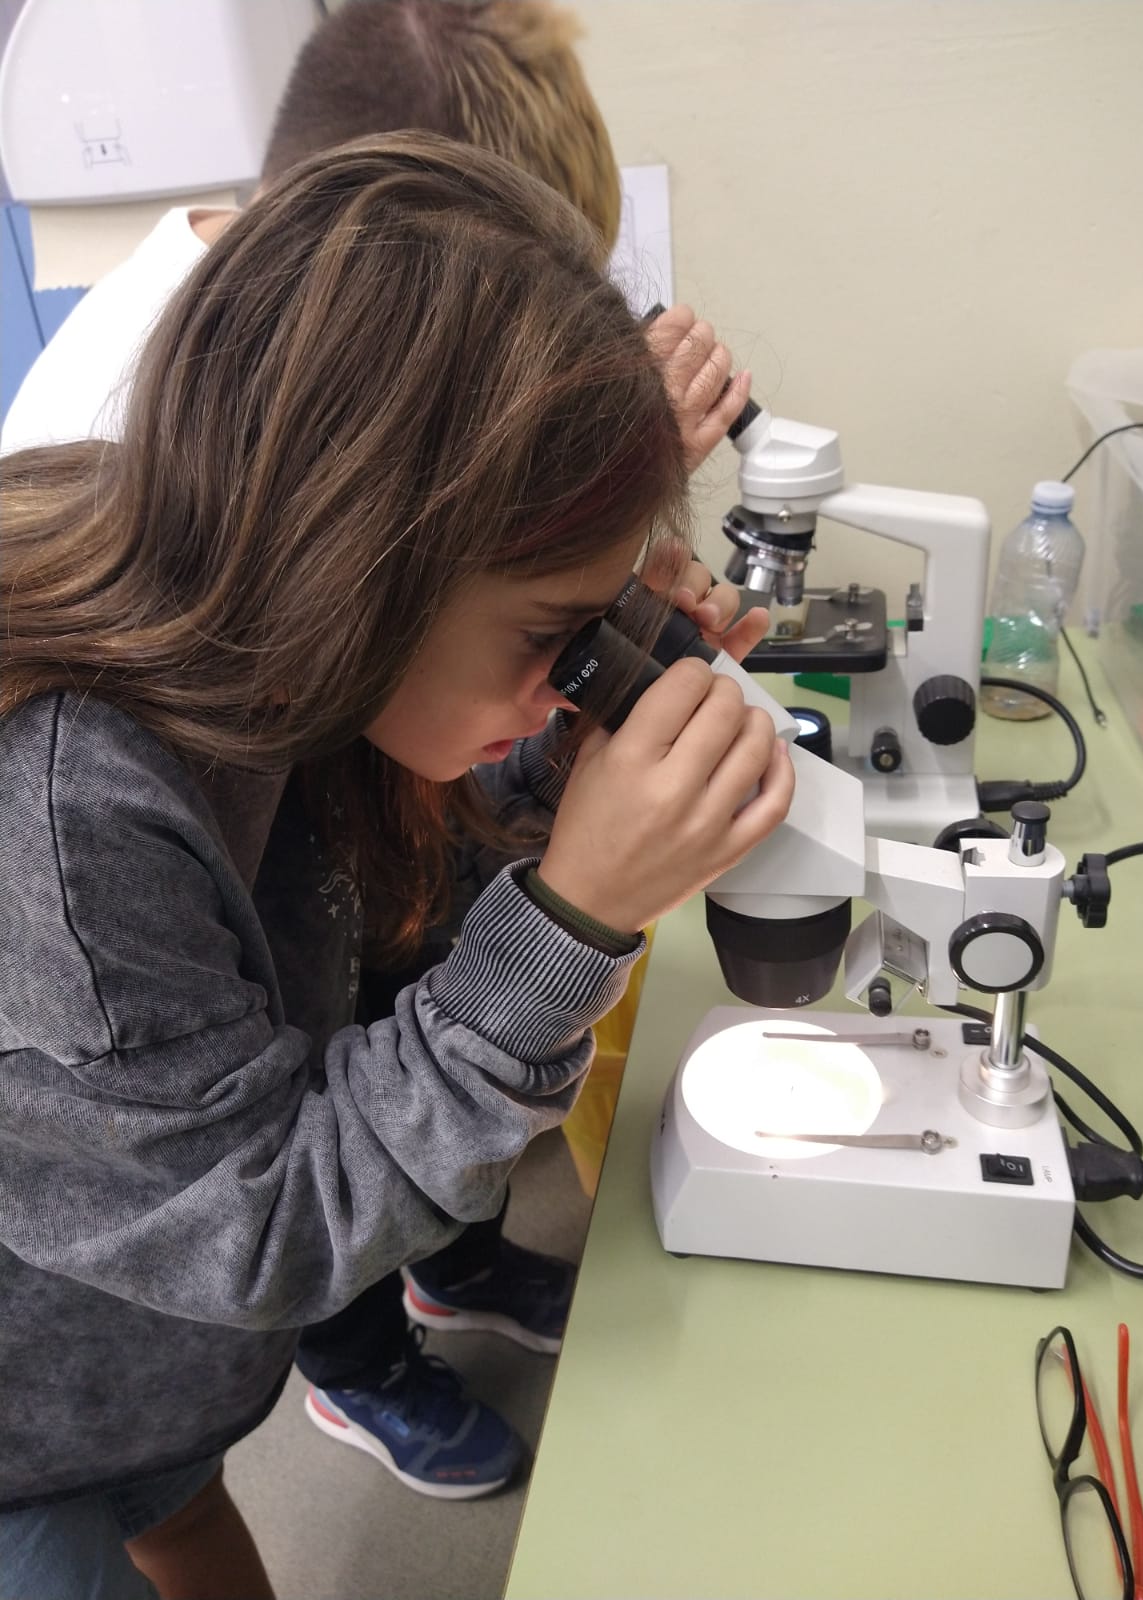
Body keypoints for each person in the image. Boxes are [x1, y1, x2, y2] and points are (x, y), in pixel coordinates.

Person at [0, 134, 793, 1598]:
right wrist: (574, 915)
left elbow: (378, 880)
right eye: (550, 635)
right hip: (27, 1419)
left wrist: (568, 755)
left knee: (182, 1516)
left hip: (142, 1358)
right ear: (359, 565)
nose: (572, 670)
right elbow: (267, 1218)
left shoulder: (246, 606)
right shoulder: (66, 812)